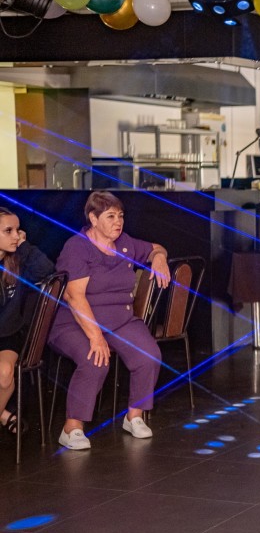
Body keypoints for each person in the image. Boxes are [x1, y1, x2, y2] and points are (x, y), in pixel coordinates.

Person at [49, 191, 171, 450]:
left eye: (121, 216)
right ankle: (71, 428)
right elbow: (74, 296)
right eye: (111, 216)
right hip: (75, 322)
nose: (118, 222)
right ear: (93, 219)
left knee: (149, 355)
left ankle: (134, 416)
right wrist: (96, 337)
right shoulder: (77, 247)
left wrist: (159, 257)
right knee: (95, 360)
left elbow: (155, 248)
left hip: (120, 320)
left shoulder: (125, 243)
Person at [0, 209, 54, 436]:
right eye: (8, 231)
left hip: (8, 335)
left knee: (4, 373)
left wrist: (23, 245)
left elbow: (47, 270)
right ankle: (4, 414)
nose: (16, 235)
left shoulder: (18, 261)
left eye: (18, 230)